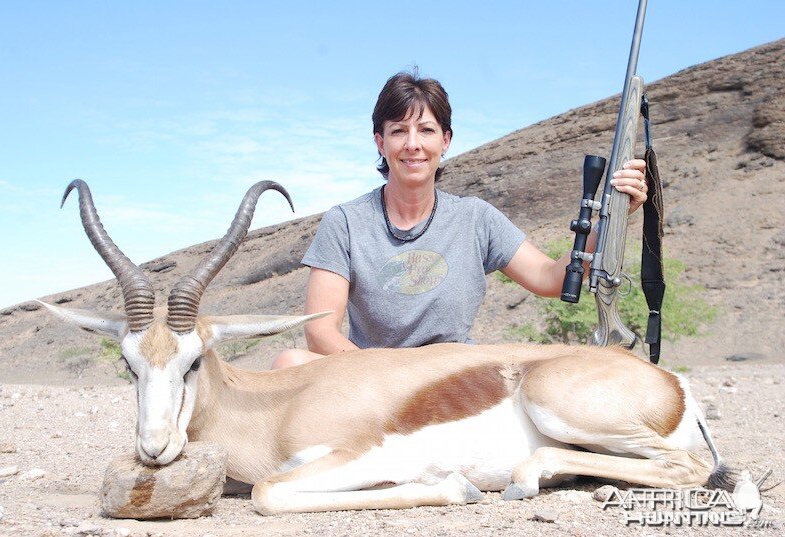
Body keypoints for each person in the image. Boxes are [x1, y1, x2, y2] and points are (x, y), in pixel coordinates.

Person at [271, 72, 647, 369]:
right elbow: (319, 331)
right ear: (380, 143)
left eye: (427, 130)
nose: (413, 144)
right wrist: (385, 377)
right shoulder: (345, 222)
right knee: (288, 363)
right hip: (369, 380)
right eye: (398, 131)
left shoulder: (475, 218)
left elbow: (550, 278)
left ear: (446, 141)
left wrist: (611, 220)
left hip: (452, 380)